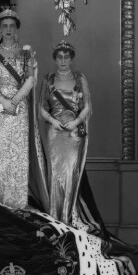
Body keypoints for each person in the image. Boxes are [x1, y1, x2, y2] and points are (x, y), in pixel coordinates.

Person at [0, 5, 46, 210]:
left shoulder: (25, 53)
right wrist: (3, 101)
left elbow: (30, 80)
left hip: (19, 107)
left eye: (11, 26)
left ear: (16, 29)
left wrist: (15, 101)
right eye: (4, 26)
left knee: (18, 153)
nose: (8, 29)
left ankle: (18, 202)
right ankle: (0, 201)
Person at [38, 40, 92, 226]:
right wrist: (53, 121)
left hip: (73, 134)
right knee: (55, 174)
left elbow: (87, 107)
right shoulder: (48, 79)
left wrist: (76, 122)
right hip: (54, 133)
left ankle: (68, 217)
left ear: (71, 59)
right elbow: (41, 109)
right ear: (55, 59)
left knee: (70, 173)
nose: (62, 60)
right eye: (59, 57)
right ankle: (55, 217)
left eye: (66, 57)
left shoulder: (79, 78)